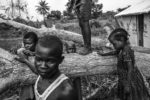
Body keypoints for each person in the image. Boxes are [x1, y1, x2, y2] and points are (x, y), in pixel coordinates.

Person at [18, 35, 78, 100]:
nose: (43, 66)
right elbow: (36, 71)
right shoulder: (42, 75)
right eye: (39, 60)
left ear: (60, 60)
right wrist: (25, 60)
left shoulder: (66, 92)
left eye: (50, 61)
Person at [97, 28, 150, 100]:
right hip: (124, 77)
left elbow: (130, 68)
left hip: (130, 79)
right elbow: (115, 52)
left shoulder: (126, 52)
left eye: (114, 44)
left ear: (121, 41)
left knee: (131, 95)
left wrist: (128, 85)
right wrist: (104, 54)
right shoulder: (122, 48)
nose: (113, 46)